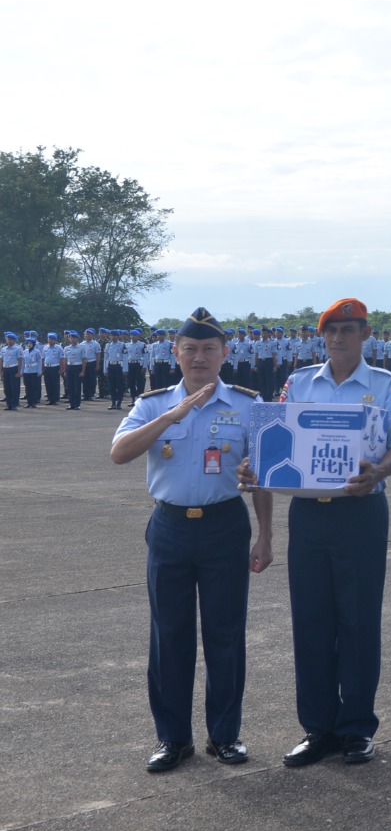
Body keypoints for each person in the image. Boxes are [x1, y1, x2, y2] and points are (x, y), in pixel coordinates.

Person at [241, 297, 391, 767]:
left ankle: (356, 728)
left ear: (365, 334)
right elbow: (272, 441)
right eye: (331, 330)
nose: (339, 338)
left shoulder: (385, 384)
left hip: (361, 512)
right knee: (311, 619)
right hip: (309, 516)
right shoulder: (299, 383)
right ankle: (317, 728)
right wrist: (255, 467)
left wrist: (379, 472)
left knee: (358, 620)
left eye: (348, 330)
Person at [111, 307, 274, 772]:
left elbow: (263, 477)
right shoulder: (152, 404)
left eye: (208, 349)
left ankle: (224, 735)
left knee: (226, 634)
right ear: (175, 353)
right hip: (171, 527)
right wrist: (172, 416)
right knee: (170, 635)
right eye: (190, 349)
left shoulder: (249, 404)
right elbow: (119, 453)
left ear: (225, 353)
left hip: (225, 526)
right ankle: (173, 738)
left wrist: (265, 536)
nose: (199, 357)